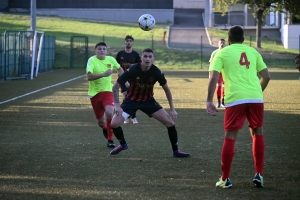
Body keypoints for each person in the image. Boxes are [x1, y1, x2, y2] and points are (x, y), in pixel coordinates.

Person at [206, 26, 271, 189]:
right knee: (257, 132)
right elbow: (267, 76)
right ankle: (259, 174)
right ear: (243, 39)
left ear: (228, 39)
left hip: (235, 99)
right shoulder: (253, 52)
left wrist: (209, 100)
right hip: (256, 97)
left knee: (231, 136)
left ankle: (225, 179)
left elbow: (214, 76)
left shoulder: (221, 53)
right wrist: (257, 91)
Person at [109, 48, 190, 158]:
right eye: (145, 56)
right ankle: (123, 144)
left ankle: (176, 151)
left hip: (148, 102)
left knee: (170, 123)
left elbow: (167, 89)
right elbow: (115, 86)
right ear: (141, 58)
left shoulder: (156, 72)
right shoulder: (133, 69)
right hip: (131, 101)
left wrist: (172, 109)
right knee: (114, 123)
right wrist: (117, 106)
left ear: (153, 59)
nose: (147, 59)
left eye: (150, 57)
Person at [86, 42, 124, 148]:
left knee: (109, 111)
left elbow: (119, 68)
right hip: (94, 93)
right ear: (95, 51)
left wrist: (125, 79)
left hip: (108, 91)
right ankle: (105, 128)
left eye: (103, 49)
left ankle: (110, 140)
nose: (101, 50)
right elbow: (89, 77)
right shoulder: (92, 60)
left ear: (106, 51)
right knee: (101, 122)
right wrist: (103, 74)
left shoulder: (111, 60)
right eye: (99, 49)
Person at [116, 35, 141, 124]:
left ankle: (129, 117)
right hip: (122, 78)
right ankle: (132, 117)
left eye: (130, 41)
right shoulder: (120, 54)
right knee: (126, 96)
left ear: (132, 43)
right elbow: (117, 66)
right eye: (127, 41)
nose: (128, 42)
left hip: (133, 79)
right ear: (124, 42)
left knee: (132, 97)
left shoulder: (136, 55)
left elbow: (139, 67)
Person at [209, 39, 226, 107]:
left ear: (225, 44)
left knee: (225, 87)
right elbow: (211, 64)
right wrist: (210, 73)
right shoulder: (214, 53)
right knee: (218, 86)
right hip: (217, 72)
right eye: (221, 42)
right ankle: (218, 102)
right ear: (218, 44)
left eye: (223, 43)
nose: (222, 44)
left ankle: (223, 102)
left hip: (225, 72)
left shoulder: (227, 52)